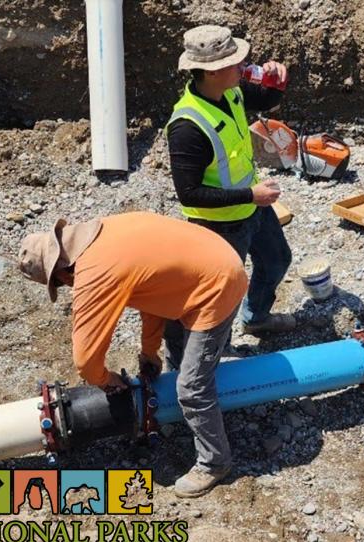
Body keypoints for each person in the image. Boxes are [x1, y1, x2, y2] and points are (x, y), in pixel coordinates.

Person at [18, 211, 248, 498]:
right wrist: (149, 352)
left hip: (219, 285)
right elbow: (152, 291)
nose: (69, 287)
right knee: (178, 349)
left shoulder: (95, 272)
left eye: (63, 284)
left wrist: (106, 380)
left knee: (192, 388)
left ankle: (215, 462)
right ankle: (181, 409)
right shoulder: (106, 231)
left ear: (63, 272)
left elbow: (86, 360)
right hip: (209, 262)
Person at [166, 24, 296, 336]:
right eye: (234, 63)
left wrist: (279, 81)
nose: (243, 66)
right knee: (222, 293)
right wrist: (251, 195)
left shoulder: (231, 92)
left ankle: (256, 318)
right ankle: (210, 352)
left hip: (254, 207)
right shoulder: (187, 127)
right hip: (219, 225)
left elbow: (265, 100)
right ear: (210, 72)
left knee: (277, 260)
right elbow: (189, 194)